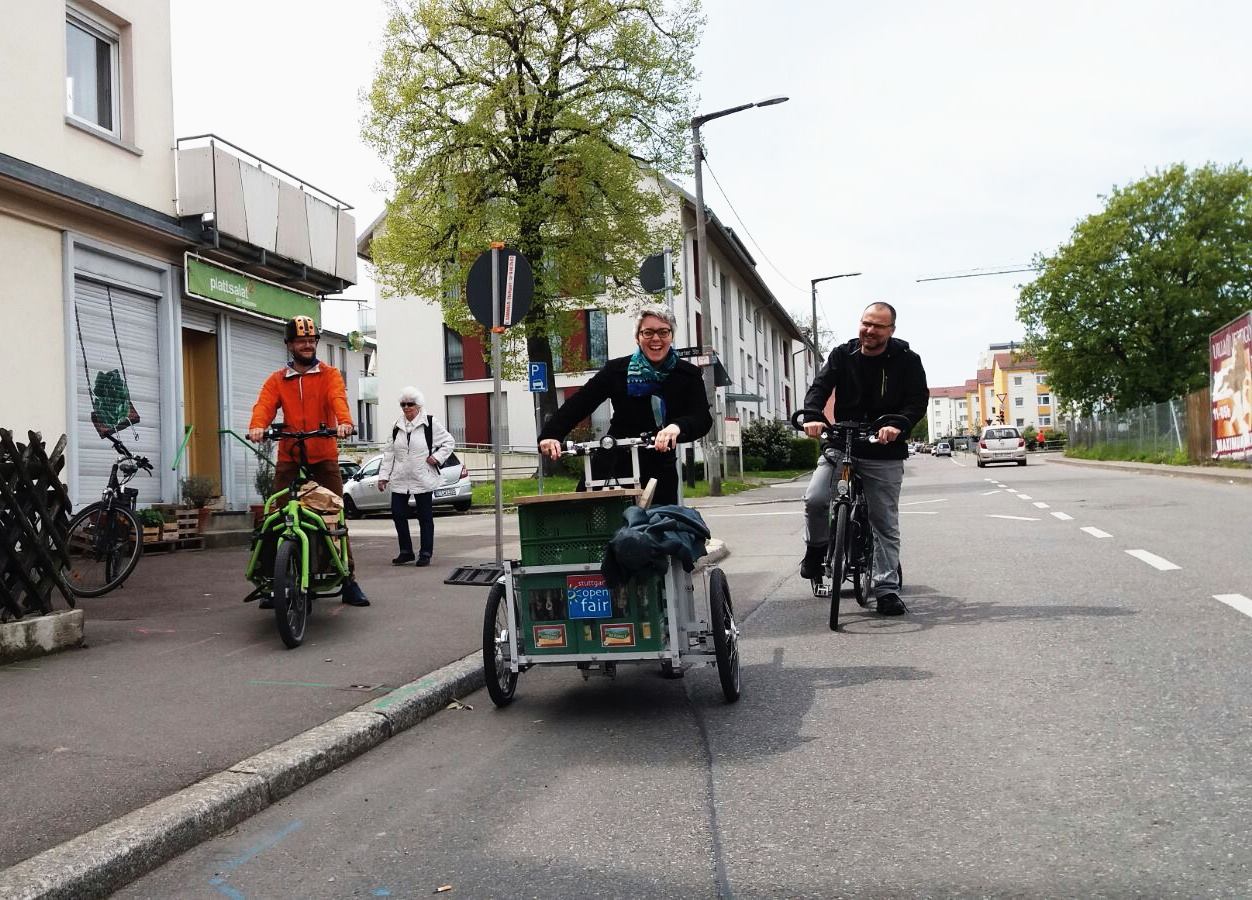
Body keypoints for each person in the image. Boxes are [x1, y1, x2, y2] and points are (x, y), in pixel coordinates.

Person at [800, 302, 928, 616]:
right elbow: (820, 388)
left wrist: (897, 425)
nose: (869, 331)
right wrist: (814, 416)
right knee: (816, 499)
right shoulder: (843, 355)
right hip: (842, 444)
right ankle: (816, 551)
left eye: (878, 326)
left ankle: (886, 590)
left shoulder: (908, 361)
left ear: (891, 331)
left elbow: (917, 401)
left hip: (884, 451)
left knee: (883, 522)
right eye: (866, 323)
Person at [248, 315, 370, 607]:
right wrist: (257, 426)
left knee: (334, 515)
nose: (306, 345)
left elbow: (337, 398)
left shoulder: (329, 375)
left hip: (323, 454)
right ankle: (273, 581)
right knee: (275, 516)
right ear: (289, 344)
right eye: (300, 341)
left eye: (310, 340)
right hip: (290, 455)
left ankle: (348, 579)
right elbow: (264, 405)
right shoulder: (277, 379)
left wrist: (344, 422)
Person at [538, 305, 712, 506]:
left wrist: (677, 426)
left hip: (659, 467)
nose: (656, 339)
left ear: (671, 336)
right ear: (637, 337)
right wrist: (551, 435)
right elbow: (581, 402)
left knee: (658, 527)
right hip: (613, 460)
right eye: (648, 332)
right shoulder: (617, 370)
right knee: (585, 517)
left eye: (663, 332)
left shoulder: (688, 374)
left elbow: (702, 418)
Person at [378, 387, 455, 567]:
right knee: (398, 514)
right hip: (400, 478)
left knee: (425, 517)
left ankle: (425, 553)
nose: (406, 407)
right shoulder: (397, 426)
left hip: (422, 477)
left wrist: (436, 457)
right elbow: (389, 453)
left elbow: (449, 442)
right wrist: (383, 476)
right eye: (403, 404)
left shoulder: (430, 423)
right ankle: (406, 551)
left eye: (410, 404)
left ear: (418, 405)